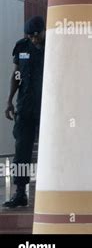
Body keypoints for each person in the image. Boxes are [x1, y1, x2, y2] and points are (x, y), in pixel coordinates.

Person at [3, 16, 45, 208]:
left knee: (52, 149)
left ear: (43, 32)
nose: (34, 39)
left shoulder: (53, 47)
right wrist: (9, 101)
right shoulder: (22, 47)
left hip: (48, 108)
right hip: (25, 106)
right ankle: (20, 193)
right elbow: (16, 74)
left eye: (37, 35)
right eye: (31, 36)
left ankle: (54, 191)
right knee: (22, 150)